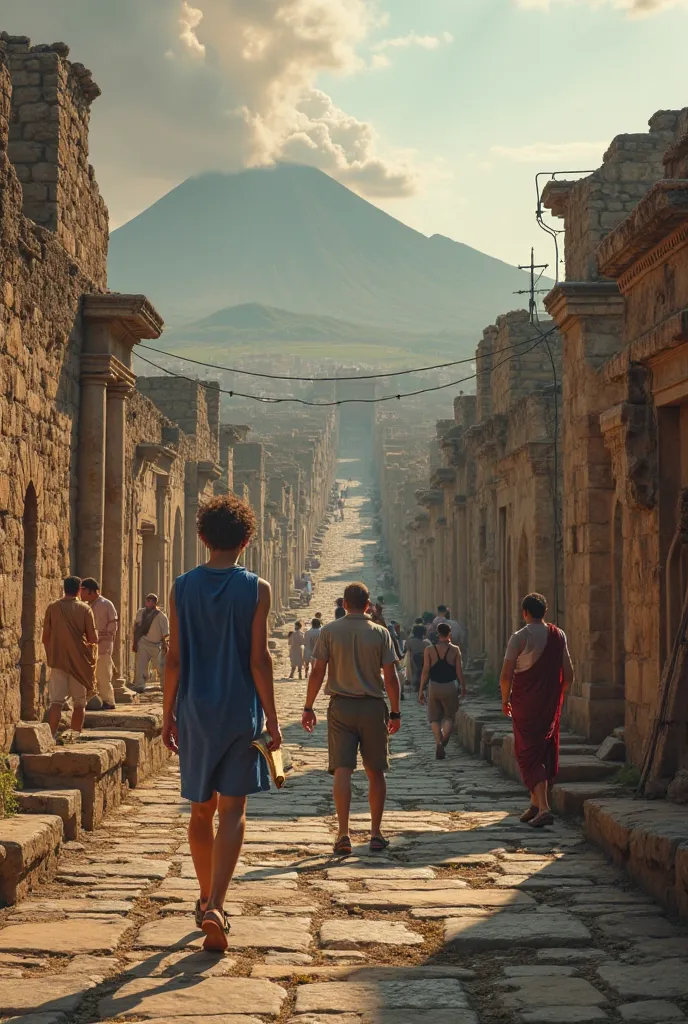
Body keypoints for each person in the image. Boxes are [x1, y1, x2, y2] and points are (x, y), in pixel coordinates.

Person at [163, 494, 282, 951]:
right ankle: (217, 902)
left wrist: (168, 712)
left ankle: (202, 895)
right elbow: (259, 659)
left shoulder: (181, 588)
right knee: (233, 811)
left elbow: (174, 659)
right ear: (247, 540)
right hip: (240, 711)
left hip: (195, 710)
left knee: (200, 810)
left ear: (201, 537)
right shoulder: (257, 588)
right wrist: (273, 720)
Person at [302, 582, 401, 856]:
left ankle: (343, 833)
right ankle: (376, 833)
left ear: (344, 604)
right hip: (372, 707)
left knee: (342, 770)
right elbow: (391, 678)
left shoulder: (330, 631)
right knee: (375, 772)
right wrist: (395, 711)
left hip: (341, 707)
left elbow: (318, 671)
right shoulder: (380, 633)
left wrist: (308, 706)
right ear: (368, 605)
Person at [500, 592, 574, 828]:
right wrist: (556, 695)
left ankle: (543, 808)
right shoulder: (558, 635)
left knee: (527, 753)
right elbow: (569, 673)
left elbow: (505, 675)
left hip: (525, 702)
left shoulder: (520, 637)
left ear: (525, 613)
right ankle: (534, 804)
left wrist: (505, 699)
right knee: (540, 749)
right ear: (545, 612)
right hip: (547, 703)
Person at [43, 576, 98, 738]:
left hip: (58, 661)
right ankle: (74, 736)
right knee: (79, 703)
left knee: (56, 702)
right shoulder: (85, 609)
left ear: (64, 588)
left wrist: (51, 656)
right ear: (79, 589)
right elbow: (93, 639)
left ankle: (52, 735)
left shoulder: (52, 608)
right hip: (79, 662)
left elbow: (45, 637)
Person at [419, 622, 466, 760]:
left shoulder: (429, 650)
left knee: (434, 718)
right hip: (450, 685)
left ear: (438, 634)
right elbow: (459, 671)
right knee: (449, 717)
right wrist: (463, 685)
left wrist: (421, 689)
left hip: (434, 686)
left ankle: (438, 742)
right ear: (449, 634)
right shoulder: (455, 650)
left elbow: (426, 671)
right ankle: (444, 739)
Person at [79, 578, 118, 710]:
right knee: (93, 676)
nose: (81, 594)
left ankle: (108, 701)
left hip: (103, 646)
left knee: (103, 675)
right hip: (91, 647)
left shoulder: (106, 604)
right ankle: (96, 700)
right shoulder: (87, 605)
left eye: (83, 591)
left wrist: (101, 636)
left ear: (91, 591)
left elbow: (113, 625)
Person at [133, 594, 170, 692]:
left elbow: (165, 634)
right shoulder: (140, 613)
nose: (149, 603)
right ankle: (140, 685)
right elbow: (136, 627)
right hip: (144, 642)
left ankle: (164, 685)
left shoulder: (161, 616)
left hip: (157, 644)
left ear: (155, 603)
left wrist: (165, 646)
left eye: (152, 601)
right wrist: (135, 642)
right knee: (141, 665)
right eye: (148, 600)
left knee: (160, 666)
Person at [405, 623, 431, 693]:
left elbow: (406, 649)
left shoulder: (410, 642)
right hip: (425, 661)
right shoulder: (427, 642)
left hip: (414, 661)